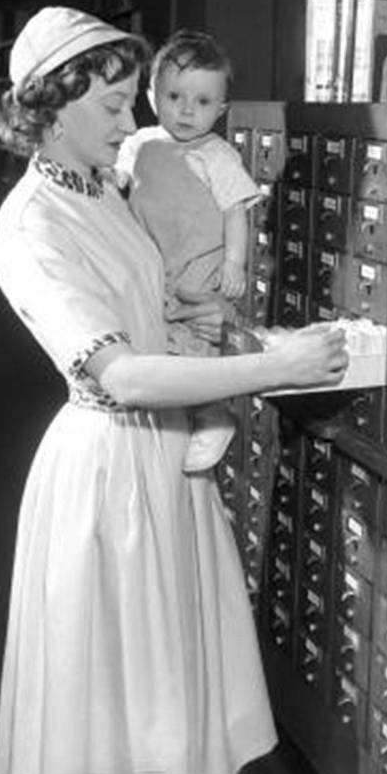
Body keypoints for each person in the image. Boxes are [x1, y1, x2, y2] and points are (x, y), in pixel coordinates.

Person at [0, 5, 347, 774]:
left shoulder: (105, 186)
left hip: (169, 463)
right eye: (113, 105)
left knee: (191, 663)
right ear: (48, 104)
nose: (131, 119)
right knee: (124, 688)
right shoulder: (31, 225)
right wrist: (275, 371)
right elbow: (123, 372)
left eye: (128, 101)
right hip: (106, 475)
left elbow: (173, 295)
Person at [117, 29, 259, 474]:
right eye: (175, 95)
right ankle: (173, 416)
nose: (186, 110)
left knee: (199, 337)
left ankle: (215, 413)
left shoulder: (216, 155)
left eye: (202, 102)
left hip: (199, 263)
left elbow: (236, 211)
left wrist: (235, 262)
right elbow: (116, 185)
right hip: (153, 260)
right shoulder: (138, 144)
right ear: (152, 95)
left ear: (221, 109)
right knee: (157, 338)